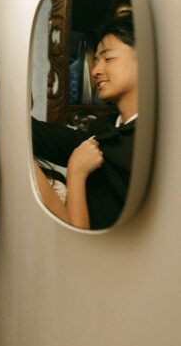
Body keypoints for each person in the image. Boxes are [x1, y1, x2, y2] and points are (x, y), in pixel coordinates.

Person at [32, 14, 138, 230]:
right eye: (96, 60)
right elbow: (38, 135)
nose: (95, 70)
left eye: (108, 59)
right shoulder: (101, 129)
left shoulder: (156, 141)